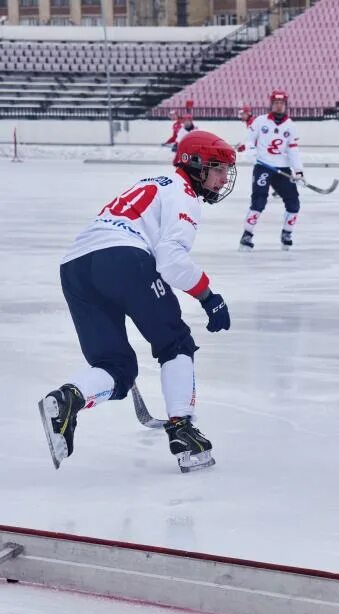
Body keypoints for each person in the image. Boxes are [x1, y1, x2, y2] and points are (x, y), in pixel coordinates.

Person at [39, 130, 236, 474]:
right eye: (218, 169)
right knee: (175, 343)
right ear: (197, 165)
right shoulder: (183, 192)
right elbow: (171, 259)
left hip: (76, 266)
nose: (223, 178)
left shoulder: (153, 182)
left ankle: (66, 400)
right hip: (124, 259)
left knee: (116, 366)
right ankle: (182, 429)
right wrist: (209, 297)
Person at [239, 90, 305, 251]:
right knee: (259, 201)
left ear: (286, 105)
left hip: (282, 168)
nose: (279, 106)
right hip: (263, 166)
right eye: (276, 103)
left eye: (281, 103)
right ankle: (247, 234)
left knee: (294, 202)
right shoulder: (260, 121)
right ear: (271, 104)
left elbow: (293, 150)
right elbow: (249, 139)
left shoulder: (291, 126)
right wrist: (251, 151)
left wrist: (298, 170)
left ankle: (287, 233)